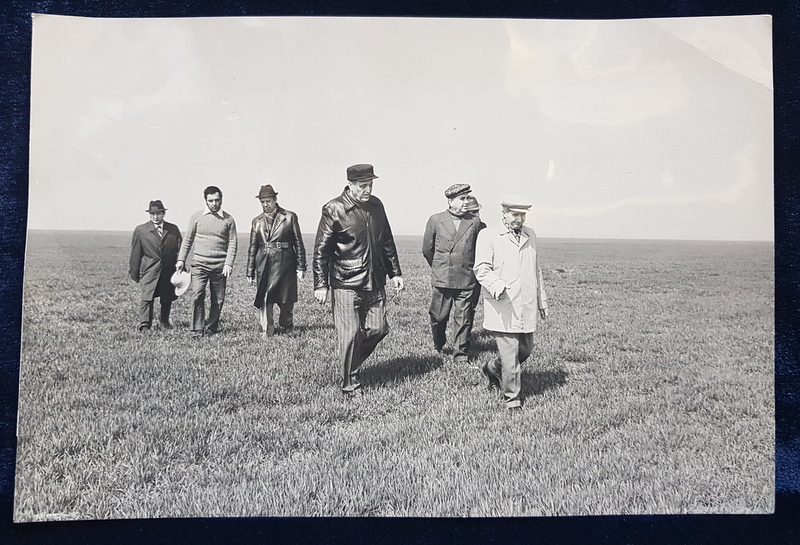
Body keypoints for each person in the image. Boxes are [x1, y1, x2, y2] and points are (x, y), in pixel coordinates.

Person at [313, 164, 404, 396]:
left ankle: (349, 362)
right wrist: (321, 284)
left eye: (371, 185)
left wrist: (396, 273)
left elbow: (387, 241)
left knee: (379, 328)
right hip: (345, 283)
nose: (367, 190)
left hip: (375, 280)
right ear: (350, 186)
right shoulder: (334, 208)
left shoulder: (377, 206)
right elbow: (321, 250)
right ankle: (349, 385)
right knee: (350, 334)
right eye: (363, 186)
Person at [473, 194, 549, 410]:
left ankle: (492, 368)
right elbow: (481, 268)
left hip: (526, 304)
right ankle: (512, 400)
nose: (520, 219)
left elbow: (536, 269)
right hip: (503, 303)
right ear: (504, 213)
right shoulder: (487, 235)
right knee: (510, 355)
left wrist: (541, 300)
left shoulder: (530, 234)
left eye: (523, 215)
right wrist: (498, 287)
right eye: (515, 214)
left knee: (524, 350)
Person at [422, 184, 485, 364]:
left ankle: (460, 355)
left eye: (467, 198)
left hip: (466, 278)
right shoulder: (435, 220)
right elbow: (427, 249)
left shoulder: (474, 222)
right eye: (462, 199)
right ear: (450, 201)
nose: (466, 202)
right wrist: (440, 267)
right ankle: (439, 344)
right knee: (438, 316)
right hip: (442, 278)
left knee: (463, 318)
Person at [246, 184, 306, 338]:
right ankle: (267, 330)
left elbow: (298, 242)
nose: (266, 205)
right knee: (265, 297)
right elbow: (253, 247)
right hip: (264, 263)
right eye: (263, 202)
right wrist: (249, 271)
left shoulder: (289, 217)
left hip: (285, 262)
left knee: (286, 298)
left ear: (275, 199)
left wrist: (301, 266)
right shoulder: (256, 221)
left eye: (268, 201)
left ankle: (286, 325)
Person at [176, 186, 237, 337]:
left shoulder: (228, 219)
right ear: (205, 201)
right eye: (211, 201)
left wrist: (228, 263)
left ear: (221, 199)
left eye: (217, 200)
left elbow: (232, 243)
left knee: (219, 298)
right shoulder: (196, 217)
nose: (214, 203)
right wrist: (181, 260)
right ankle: (197, 329)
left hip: (220, 266)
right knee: (197, 294)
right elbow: (188, 240)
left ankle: (212, 327)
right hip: (199, 264)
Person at [129, 200, 183, 331]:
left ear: (163, 213)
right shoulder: (141, 230)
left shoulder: (173, 229)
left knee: (167, 297)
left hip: (168, 270)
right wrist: (135, 273)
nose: (155, 217)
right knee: (147, 297)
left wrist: (182, 269)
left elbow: (180, 250)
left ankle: (165, 321)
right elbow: (135, 253)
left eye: (158, 213)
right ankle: (145, 324)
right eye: (152, 214)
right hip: (149, 270)